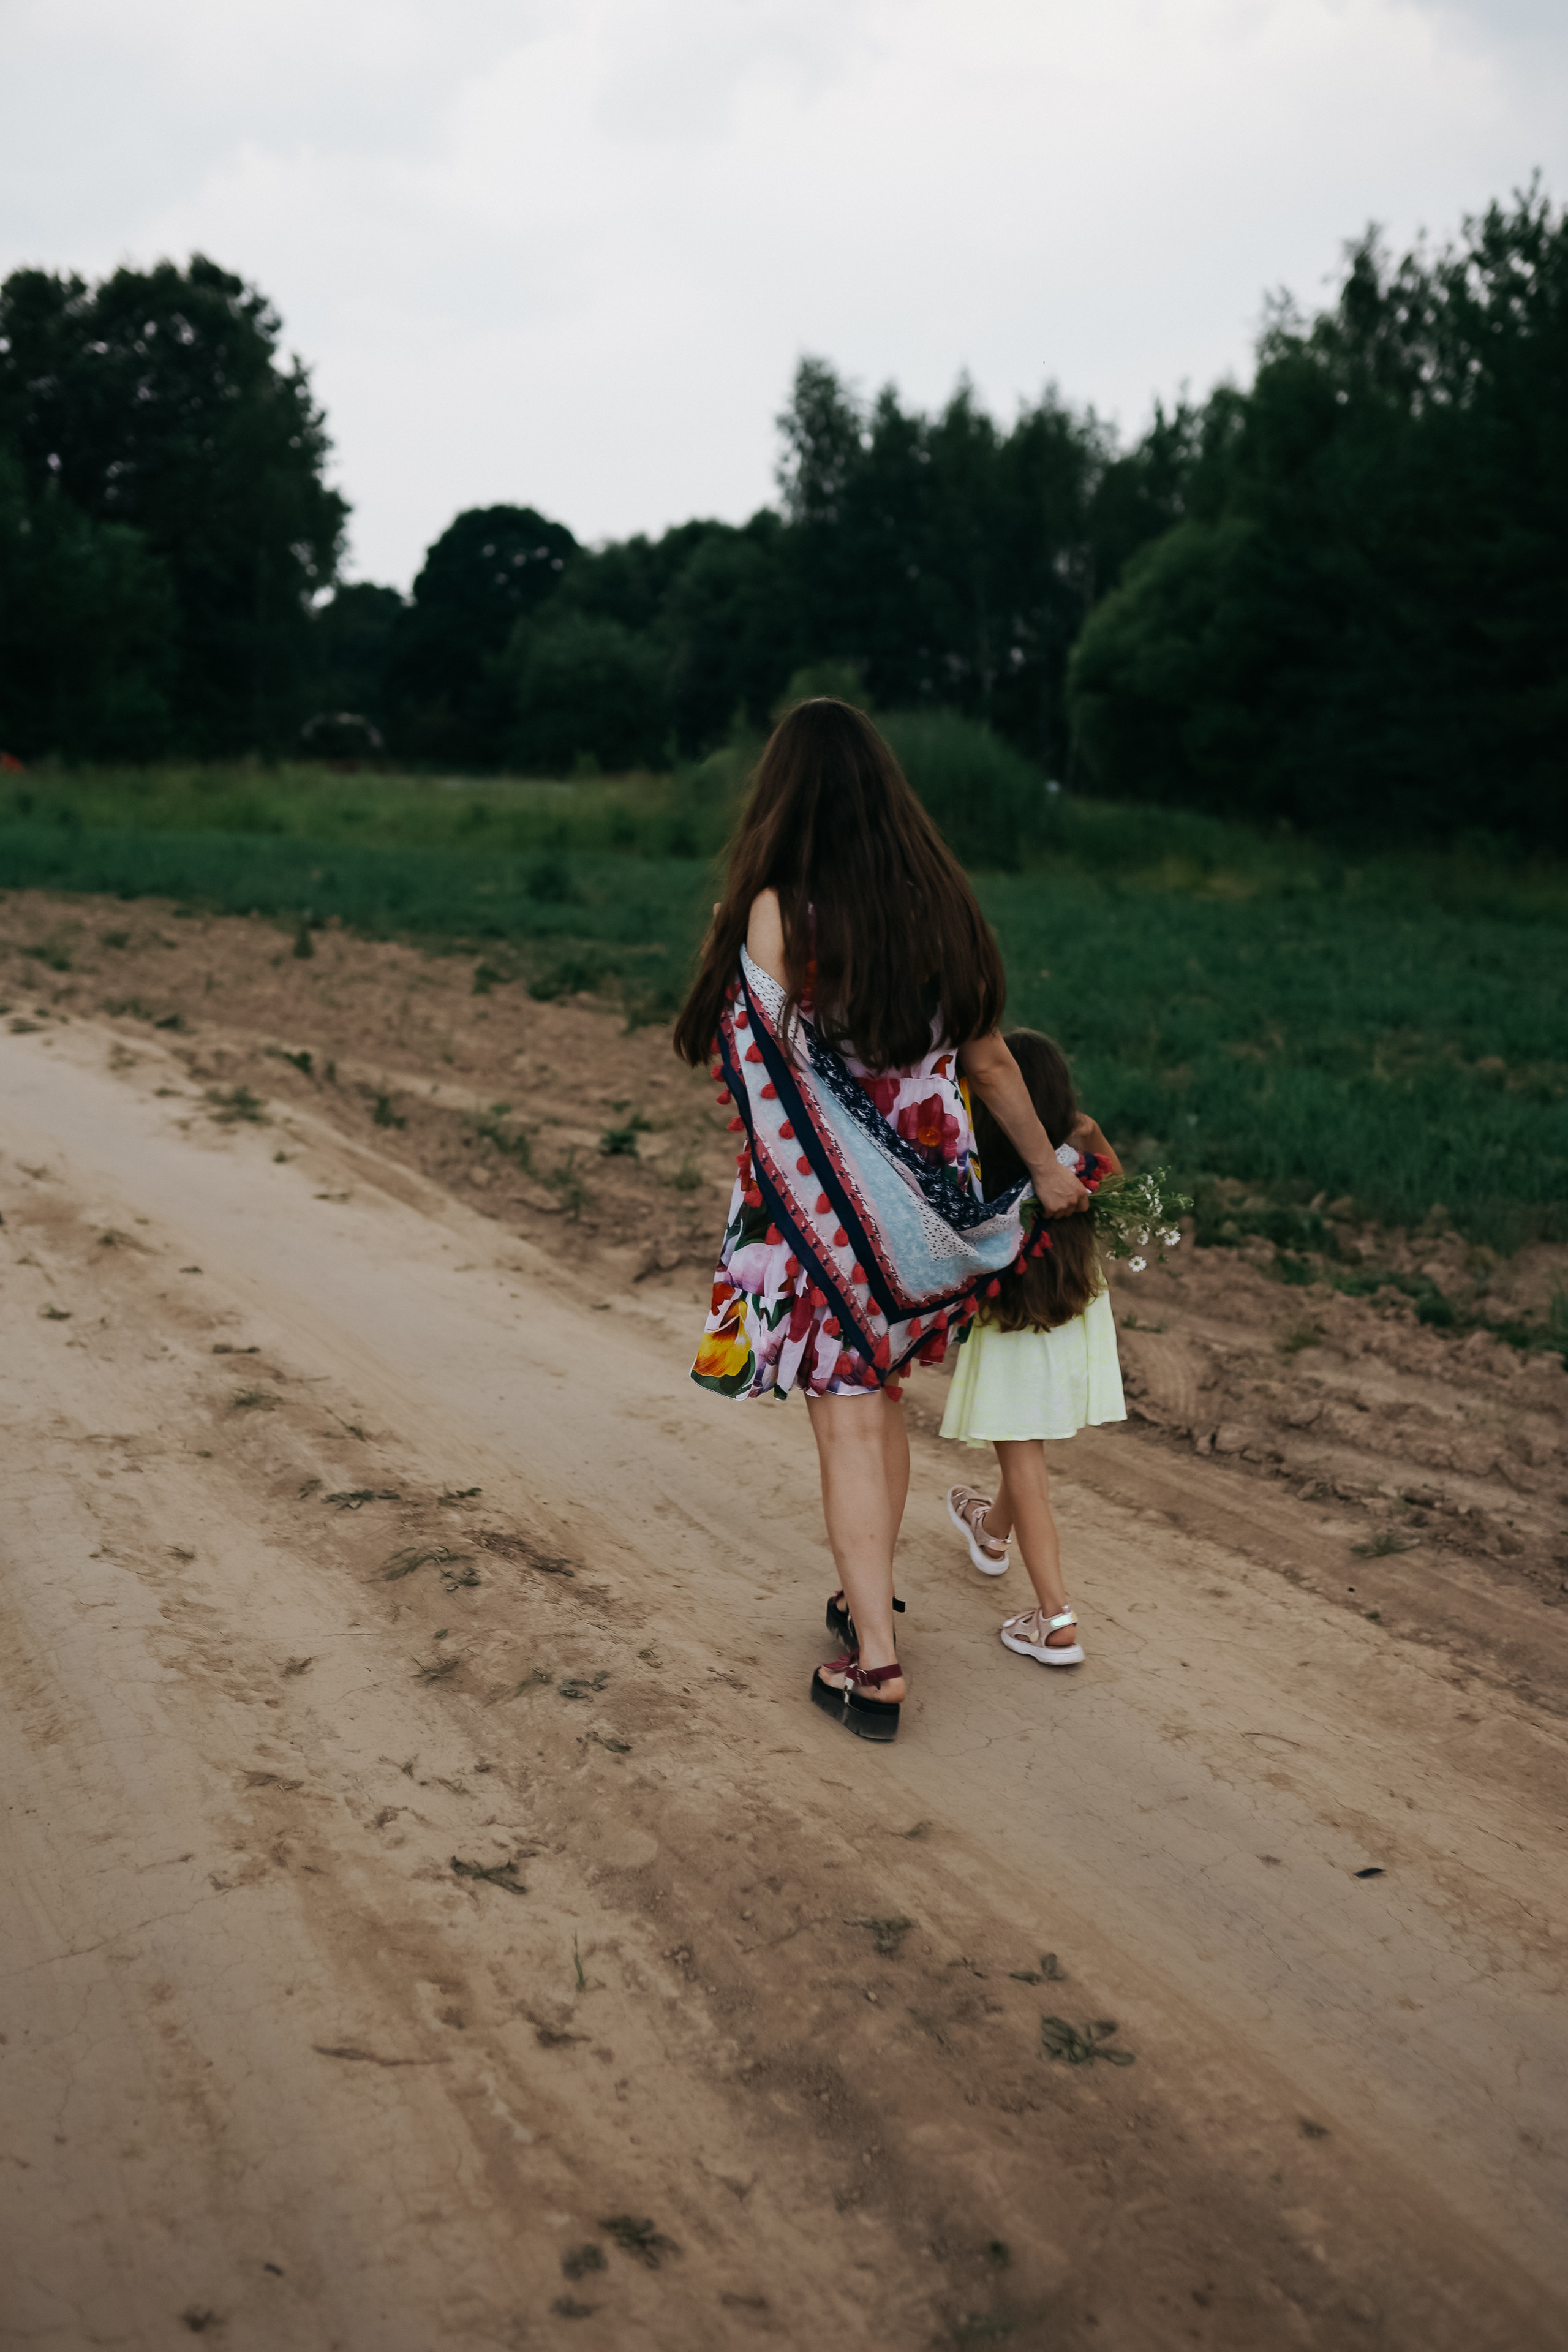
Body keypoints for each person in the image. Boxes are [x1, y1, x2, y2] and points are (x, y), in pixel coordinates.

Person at [673, 699, 1087, 1743]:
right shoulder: (937, 905)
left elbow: (764, 1067)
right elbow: (989, 1062)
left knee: (846, 1419)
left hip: (823, 1214)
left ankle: (877, 1662)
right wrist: (1049, 1175)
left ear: (785, 796)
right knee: (884, 1397)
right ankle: (871, 1591)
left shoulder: (782, 912)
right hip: (929, 1211)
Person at [940, 1030, 1126, 1667]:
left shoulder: (987, 1182)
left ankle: (1055, 1620)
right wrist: (1091, 1136)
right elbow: (1122, 1191)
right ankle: (989, 1532)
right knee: (1025, 1451)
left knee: (1026, 1469)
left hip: (1014, 1336)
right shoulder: (1074, 1175)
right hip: (1072, 1329)